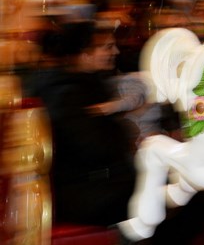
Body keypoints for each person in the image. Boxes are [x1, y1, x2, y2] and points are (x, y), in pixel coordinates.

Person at [25, 18, 138, 226]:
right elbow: (96, 147)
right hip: (78, 193)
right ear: (84, 54)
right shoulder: (66, 93)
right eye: (107, 47)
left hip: (92, 184)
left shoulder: (83, 85)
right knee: (166, 193)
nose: (116, 52)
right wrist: (123, 133)